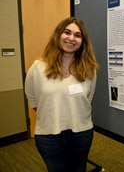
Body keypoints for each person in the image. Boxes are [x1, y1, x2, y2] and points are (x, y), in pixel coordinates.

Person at [25, 17, 99, 172]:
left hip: (81, 133)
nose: (71, 38)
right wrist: (51, 116)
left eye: (77, 35)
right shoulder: (38, 67)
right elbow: (32, 98)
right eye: (67, 32)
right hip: (48, 135)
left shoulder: (89, 69)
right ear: (58, 35)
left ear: (82, 41)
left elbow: (89, 98)